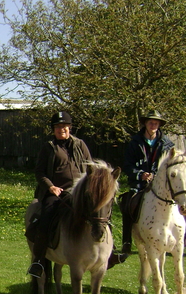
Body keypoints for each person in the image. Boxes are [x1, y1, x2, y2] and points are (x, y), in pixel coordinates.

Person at [26, 111, 127, 278]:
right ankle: (38, 260)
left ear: (70, 128)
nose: (61, 129)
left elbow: (91, 168)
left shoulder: (80, 145)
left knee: (101, 211)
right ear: (53, 129)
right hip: (57, 192)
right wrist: (51, 187)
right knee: (46, 217)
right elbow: (40, 172)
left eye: (64, 126)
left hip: (79, 192)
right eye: (58, 127)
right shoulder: (49, 147)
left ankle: (111, 252)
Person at [121, 110, 174, 253]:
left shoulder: (167, 144)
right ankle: (126, 241)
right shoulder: (134, 142)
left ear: (159, 124)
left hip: (161, 184)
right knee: (127, 204)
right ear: (145, 123)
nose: (153, 124)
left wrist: (155, 175)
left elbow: (170, 164)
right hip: (139, 184)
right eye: (151, 122)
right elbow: (127, 165)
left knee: (181, 201)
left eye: (156, 123)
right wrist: (140, 174)